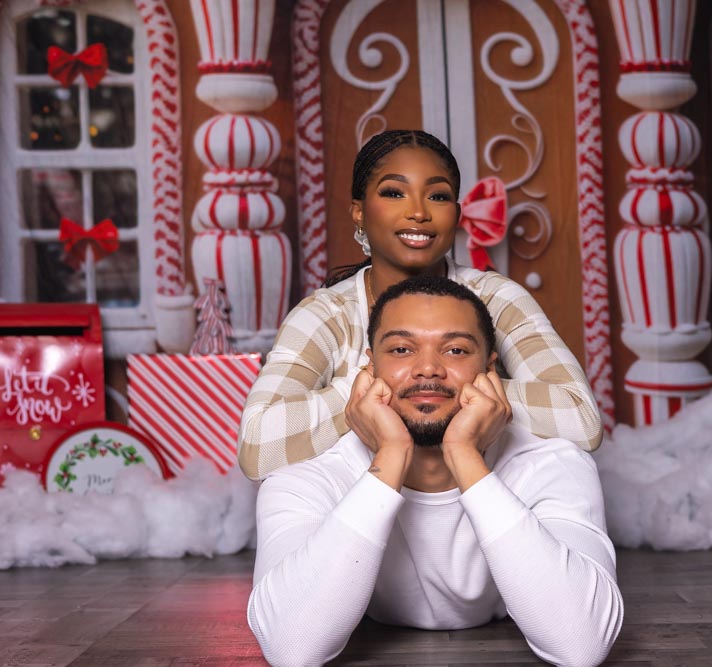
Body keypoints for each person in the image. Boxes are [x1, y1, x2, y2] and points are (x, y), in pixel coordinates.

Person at [248, 275, 623, 667]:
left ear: (490, 368)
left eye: (456, 350)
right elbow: (292, 648)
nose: (428, 369)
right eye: (402, 349)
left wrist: (464, 455)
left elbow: (580, 645)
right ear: (370, 367)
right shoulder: (309, 474)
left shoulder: (551, 463)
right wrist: (391, 454)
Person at [238, 129, 602, 481]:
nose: (418, 212)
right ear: (359, 211)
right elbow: (257, 446)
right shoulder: (327, 315)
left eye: (438, 196)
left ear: (457, 213)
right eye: (394, 193)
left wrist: (445, 384)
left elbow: (580, 418)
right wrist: (385, 381)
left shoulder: (496, 298)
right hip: (362, 509)